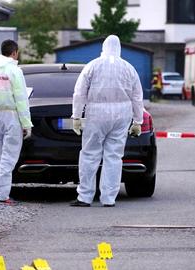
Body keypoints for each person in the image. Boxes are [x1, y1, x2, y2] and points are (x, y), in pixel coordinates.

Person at [71, 35, 144, 207]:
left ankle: (85, 197)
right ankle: (109, 198)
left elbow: (79, 93)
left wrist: (76, 116)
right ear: (119, 48)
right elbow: (137, 97)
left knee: (90, 154)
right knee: (114, 156)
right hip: (122, 115)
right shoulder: (129, 68)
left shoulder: (92, 65)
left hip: (96, 114)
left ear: (103, 47)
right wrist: (138, 121)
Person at [0, 39, 33, 205]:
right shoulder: (15, 71)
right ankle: (2, 195)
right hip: (11, 116)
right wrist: (26, 124)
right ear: (15, 52)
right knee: (9, 157)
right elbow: (21, 100)